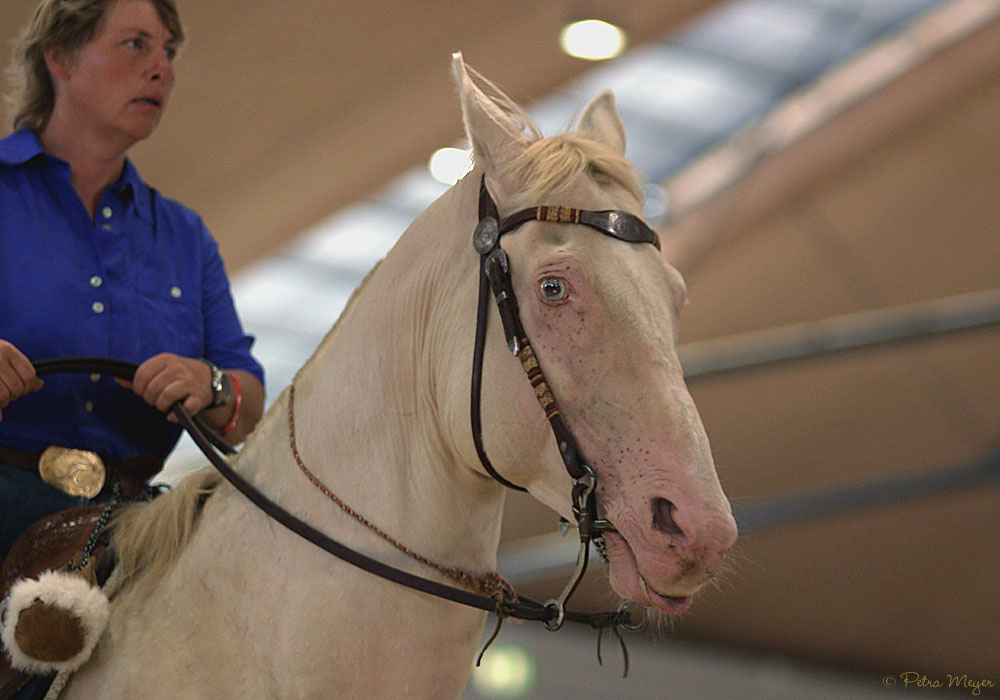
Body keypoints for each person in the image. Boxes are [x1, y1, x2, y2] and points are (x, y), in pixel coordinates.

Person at [0, 0, 266, 565]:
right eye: (135, 44)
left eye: (168, 52)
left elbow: (246, 404)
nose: (162, 68)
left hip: (136, 534)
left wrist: (211, 385)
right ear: (60, 58)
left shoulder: (185, 236)